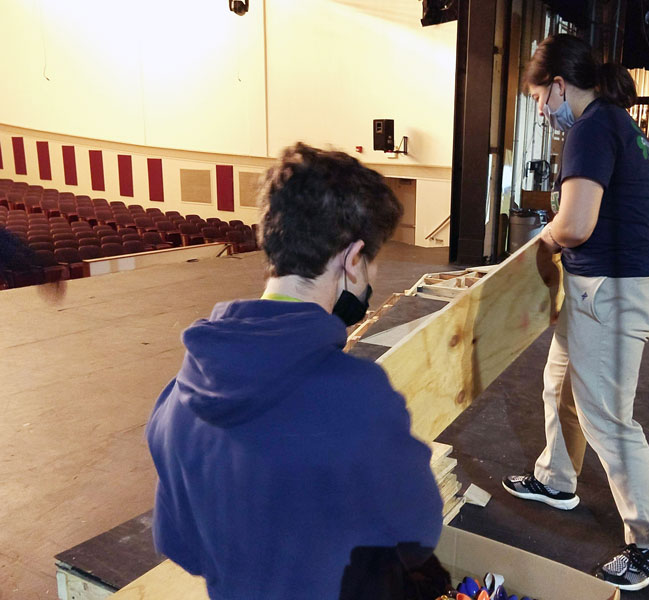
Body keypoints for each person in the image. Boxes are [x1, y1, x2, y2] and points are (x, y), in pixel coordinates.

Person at [146, 142, 446, 599]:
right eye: (372, 263)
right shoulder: (359, 398)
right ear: (352, 258)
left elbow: (178, 544)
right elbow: (418, 530)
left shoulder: (176, 399)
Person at [501, 34, 649, 592]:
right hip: (606, 287)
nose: (542, 110)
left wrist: (541, 245)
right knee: (560, 383)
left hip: (612, 294)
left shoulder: (592, 127)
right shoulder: (616, 122)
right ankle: (557, 479)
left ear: (558, 85)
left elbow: (575, 224)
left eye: (540, 98)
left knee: (609, 421)